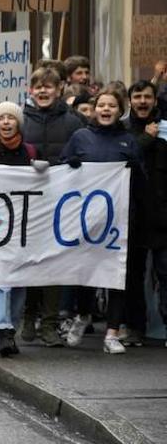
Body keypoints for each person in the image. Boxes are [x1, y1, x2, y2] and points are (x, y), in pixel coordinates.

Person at [60, 87, 144, 354]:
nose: (106, 109)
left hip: (118, 221)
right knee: (85, 270)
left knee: (115, 275)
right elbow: (61, 171)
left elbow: (142, 181)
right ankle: (83, 315)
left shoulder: (128, 140)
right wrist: (69, 164)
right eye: (101, 105)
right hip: (86, 220)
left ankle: (112, 333)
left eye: (112, 105)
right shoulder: (80, 137)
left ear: (120, 111)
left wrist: (134, 167)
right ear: (95, 110)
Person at [0, 102, 47, 357]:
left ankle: (10, 328)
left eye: (10, 118)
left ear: (18, 123)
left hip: (24, 228)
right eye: (1, 118)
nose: (5, 122)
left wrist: (47, 169)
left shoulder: (31, 151)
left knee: (19, 281)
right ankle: (3, 329)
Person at [21, 67, 83, 347]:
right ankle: (28, 316)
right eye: (38, 87)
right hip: (28, 204)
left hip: (60, 202)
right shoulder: (20, 120)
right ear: (30, 90)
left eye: (49, 86)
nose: (43, 91)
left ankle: (48, 323)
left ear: (59, 90)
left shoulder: (74, 122)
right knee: (28, 261)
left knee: (53, 263)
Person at [125, 80, 167, 347]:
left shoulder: (166, 129)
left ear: (154, 100)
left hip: (163, 217)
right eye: (137, 96)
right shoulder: (123, 131)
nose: (142, 101)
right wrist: (145, 138)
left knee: (166, 274)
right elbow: (124, 157)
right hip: (133, 217)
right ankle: (135, 328)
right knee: (133, 276)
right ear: (130, 101)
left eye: (147, 97)